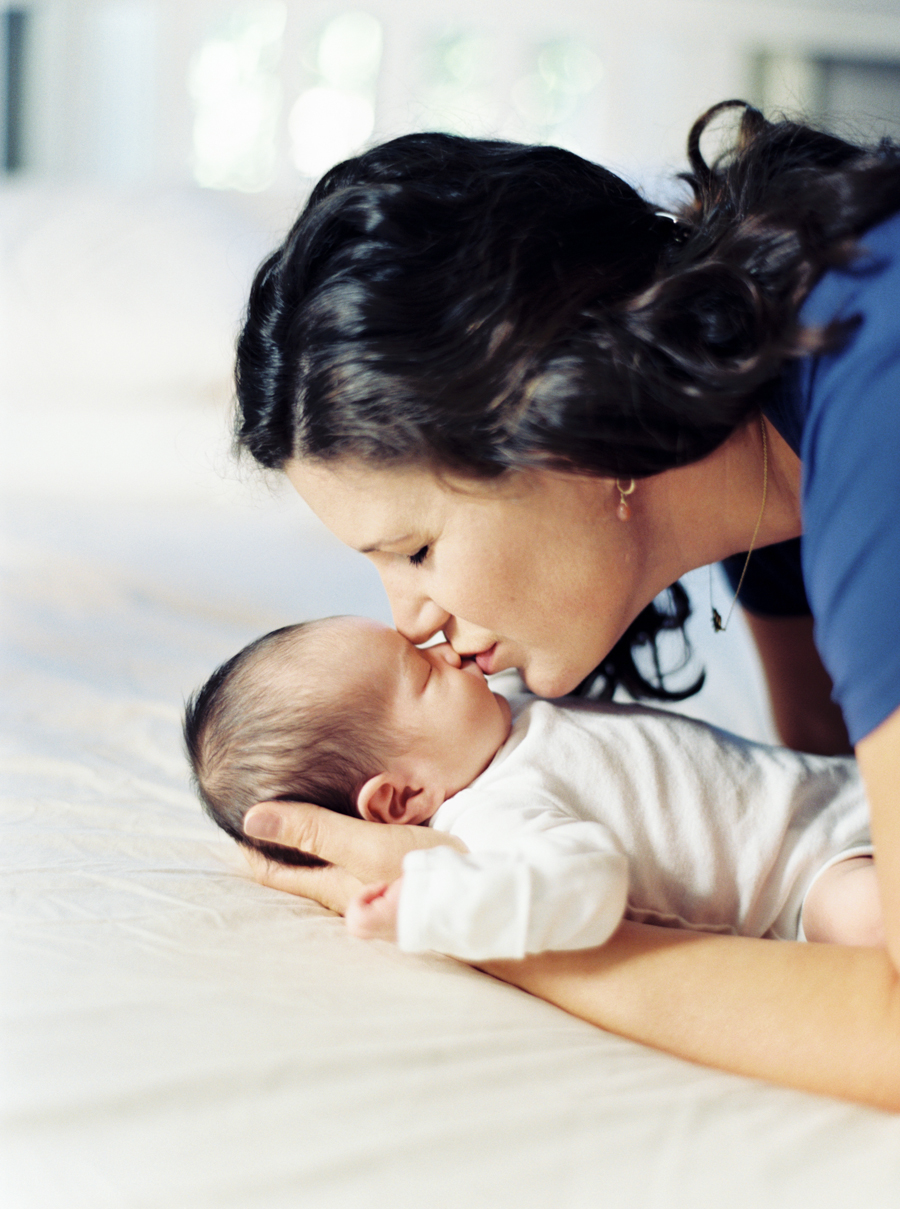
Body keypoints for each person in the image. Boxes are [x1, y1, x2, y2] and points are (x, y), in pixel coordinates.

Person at [230, 101, 900, 1107]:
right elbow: (836, 775)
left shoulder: (868, 403)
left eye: (415, 549)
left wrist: (493, 926)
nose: (409, 618)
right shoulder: (767, 484)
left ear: (554, 413)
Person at [184, 615, 878, 959]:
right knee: (874, 919)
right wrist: (432, 903)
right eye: (422, 674)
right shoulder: (493, 818)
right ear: (400, 799)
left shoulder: (499, 712)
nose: (443, 647)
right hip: (810, 880)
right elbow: (584, 887)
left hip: (846, 789)